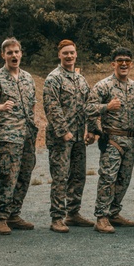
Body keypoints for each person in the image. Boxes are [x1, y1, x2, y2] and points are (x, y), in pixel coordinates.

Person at [88, 47, 134, 233]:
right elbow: (87, 108)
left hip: (130, 140)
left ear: (131, 64)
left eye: (127, 61)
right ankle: (101, 216)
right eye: (120, 60)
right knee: (108, 178)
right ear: (113, 64)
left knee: (124, 179)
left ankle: (114, 212)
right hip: (112, 140)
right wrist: (106, 107)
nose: (124, 64)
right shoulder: (103, 86)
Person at [0, 38, 38, 235]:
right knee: (8, 177)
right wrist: (2, 106)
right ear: (3, 55)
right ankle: (0, 218)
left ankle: (14, 214)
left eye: (16, 52)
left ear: (21, 53)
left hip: (27, 136)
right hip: (9, 137)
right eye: (9, 53)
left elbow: (32, 103)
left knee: (24, 175)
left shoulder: (27, 78)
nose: (14, 55)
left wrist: (32, 121)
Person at [42, 40, 97, 233]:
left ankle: (73, 213)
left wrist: (91, 129)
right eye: (65, 53)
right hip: (60, 138)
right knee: (60, 177)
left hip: (78, 137)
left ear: (76, 54)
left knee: (78, 175)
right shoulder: (53, 78)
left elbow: (89, 105)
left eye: (72, 53)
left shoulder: (80, 79)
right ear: (59, 55)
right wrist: (63, 131)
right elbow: (51, 107)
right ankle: (57, 217)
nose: (69, 56)